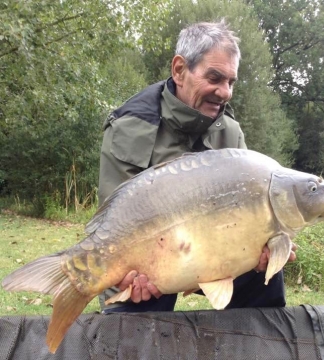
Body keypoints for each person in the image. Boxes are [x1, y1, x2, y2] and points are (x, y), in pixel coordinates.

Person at [98, 20, 296, 314]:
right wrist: (127, 270)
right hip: (152, 258)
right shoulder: (130, 127)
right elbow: (115, 220)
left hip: (212, 254)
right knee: (137, 303)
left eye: (230, 82)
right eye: (215, 78)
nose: (225, 92)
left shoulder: (230, 132)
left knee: (267, 278)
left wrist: (264, 251)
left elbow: (247, 213)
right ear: (179, 70)